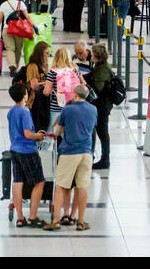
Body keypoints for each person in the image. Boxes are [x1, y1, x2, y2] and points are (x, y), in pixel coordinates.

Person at [43, 84, 98, 231]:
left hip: (69, 151)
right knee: (82, 186)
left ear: (75, 95)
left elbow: (57, 131)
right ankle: (80, 222)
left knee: (60, 185)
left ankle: (56, 221)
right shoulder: (93, 109)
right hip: (86, 152)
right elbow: (91, 128)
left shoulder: (68, 109)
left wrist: (58, 131)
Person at [7, 81, 49, 227]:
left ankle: (20, 217)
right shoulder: (25, 112)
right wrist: (39, 136)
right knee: (39, 182)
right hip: (27, 150)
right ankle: (33, 216)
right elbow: (27, 134)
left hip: (15, 149)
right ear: (25, 95)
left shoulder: (11, 111)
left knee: (18, 182)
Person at [88, 41, 115, 170]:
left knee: (102, 132)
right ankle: (104, 158)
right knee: (101, 131)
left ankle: (105, 159)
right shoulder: (100, 66)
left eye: (92, 54)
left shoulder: (103, 70)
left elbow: (96, 89)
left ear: (97, 56)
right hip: (101, 105)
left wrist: (84, 84)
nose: (91, 56)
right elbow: (92, 76)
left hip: (102, 106)